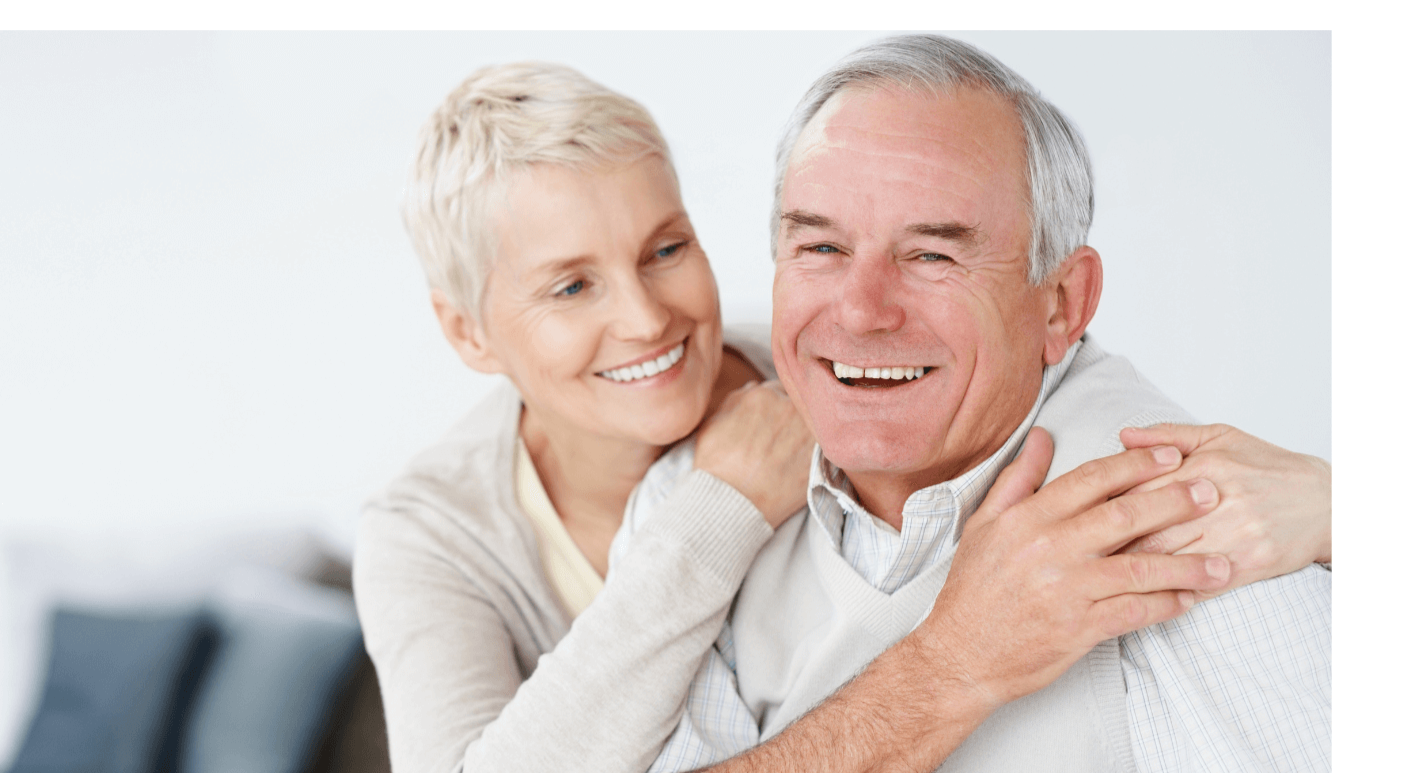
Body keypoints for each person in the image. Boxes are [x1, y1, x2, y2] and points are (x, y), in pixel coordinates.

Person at [352, 59, 1332, 773]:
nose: (647, 319)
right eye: (569, 286)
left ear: (1061, 303)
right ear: (468, 333)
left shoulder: (1171, 511)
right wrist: (950, 661)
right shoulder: (633, 506)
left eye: (665, 250)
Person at [638, 34, 1331, 773]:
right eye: (821, 249)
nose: (862, 310)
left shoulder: (1195, 527)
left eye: (932, 255)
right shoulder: (702, 493)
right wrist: (953, 665)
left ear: (1063, 303)